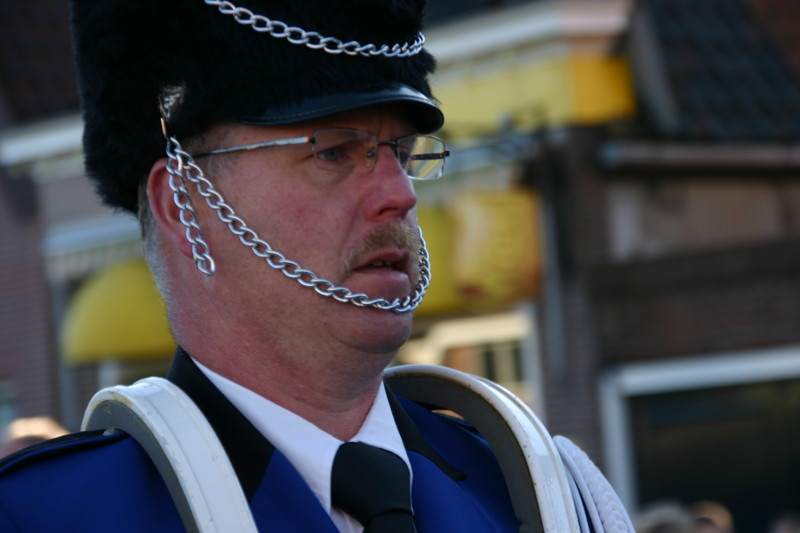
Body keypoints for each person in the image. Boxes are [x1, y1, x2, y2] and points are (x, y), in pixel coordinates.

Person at [0, 1, 522, 532]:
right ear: (181, 203)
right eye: (334, 152)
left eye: (402, 154)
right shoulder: (41, 517)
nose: (400, 194)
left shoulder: (530, 489)